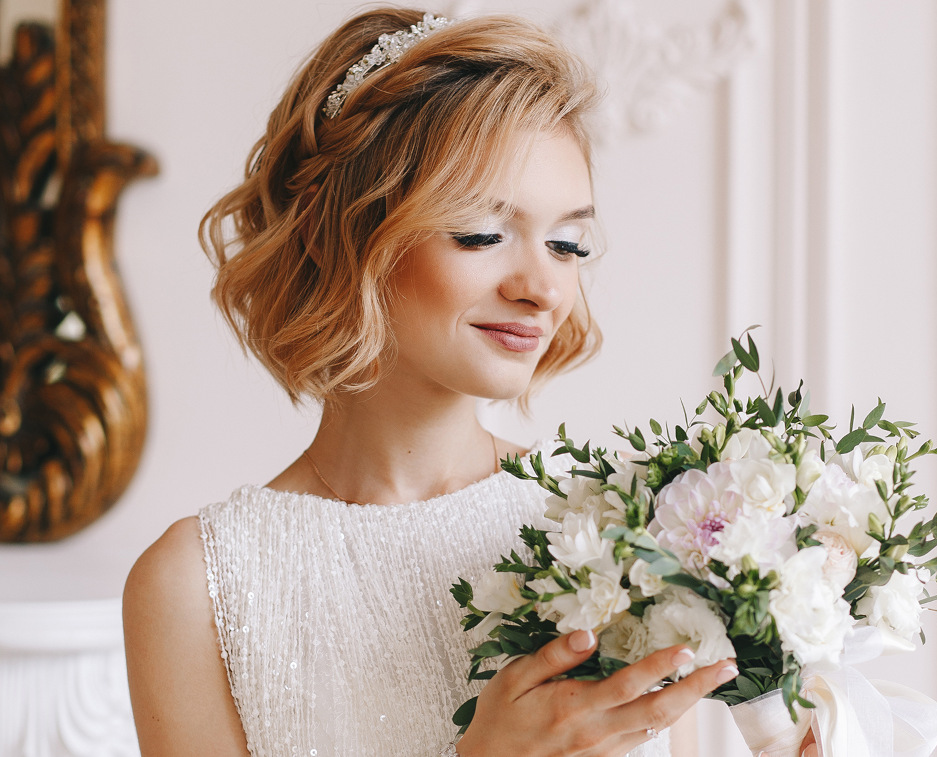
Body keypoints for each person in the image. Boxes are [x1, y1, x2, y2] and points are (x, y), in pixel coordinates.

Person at [123, 8, 817, 756]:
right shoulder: (195, 586)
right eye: (482, 234)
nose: (542, 289)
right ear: (344, 232)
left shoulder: (622, 528)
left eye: (567, 243)